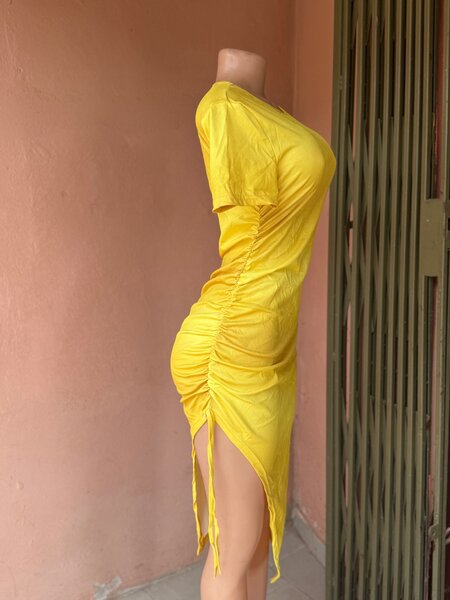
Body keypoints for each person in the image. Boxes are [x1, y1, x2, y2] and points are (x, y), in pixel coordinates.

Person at [170, 47, 337, 600]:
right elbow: (246, 225)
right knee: (234, 546)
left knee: (259, 537)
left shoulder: (265, 113)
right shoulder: (224, 106)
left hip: (265, 343)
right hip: (232, 344)